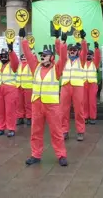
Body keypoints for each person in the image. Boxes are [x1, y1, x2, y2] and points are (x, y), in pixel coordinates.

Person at [20, 28, 69, 167]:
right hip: (37, 104)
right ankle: (35, 155)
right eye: (42, 55)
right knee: (35, 131)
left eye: (46, 55)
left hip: (52, 105)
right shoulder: (35, 67)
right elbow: (29, 55)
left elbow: (64, 58)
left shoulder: (56, 69)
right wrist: (23, 40)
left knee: (56, 132)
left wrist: (62, 42)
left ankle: (61, 155)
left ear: (52, 58)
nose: (43, 57)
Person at [54, 26, 88, 141]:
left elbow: (85, 50)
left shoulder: (81, 60)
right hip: (65, 86)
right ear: (68, 51)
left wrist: (83, 39)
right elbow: (59, 49)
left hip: (78, 86)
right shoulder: (64, 60)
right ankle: (64, 131)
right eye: (70, 50)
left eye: (74, 50)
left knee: (79, 110)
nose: (72, 51)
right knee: (63, 110)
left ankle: (80, 131)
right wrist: (59, 39)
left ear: (78, 51)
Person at [0, 44, 19, 137]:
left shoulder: (12, 64)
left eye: (5, 55)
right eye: (1, 56)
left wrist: (11, 50)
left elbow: (15, 62)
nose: (3, 57)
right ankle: (0, 128)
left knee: (10, 110)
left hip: (10, 88)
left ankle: (11, 128)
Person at [84, 42, 101, 125]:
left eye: (90, 54)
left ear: (93, 56)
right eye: (87, 54)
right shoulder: (82, 63)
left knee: (92, 101)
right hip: (84, 84)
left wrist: (96, 49)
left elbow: (98, 56)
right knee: (84, 102)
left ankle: (93, 117)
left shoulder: (95, 63)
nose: (88, 56)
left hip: (92, 84)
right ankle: (85, 117)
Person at [17, 53, 33, 126]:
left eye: (24, 57)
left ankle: (29, 118)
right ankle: (20, 118)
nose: (23, 58)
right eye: (22, 57)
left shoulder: (31, 64)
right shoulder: (19, 65)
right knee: (19, 103)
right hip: (19, 86)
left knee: (28, 104)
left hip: (28, 86)